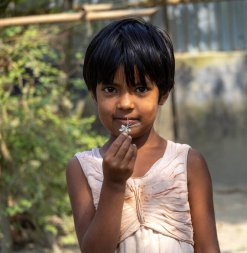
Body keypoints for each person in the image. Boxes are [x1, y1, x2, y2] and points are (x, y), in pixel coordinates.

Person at [66, 18, 220, 253]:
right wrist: (114, 184)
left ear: (164, 94)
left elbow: (208, 248)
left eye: (140, 89)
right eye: (110, 89)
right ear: (93, 95)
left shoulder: (188, 163)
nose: (125, 103)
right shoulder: (83, 168)